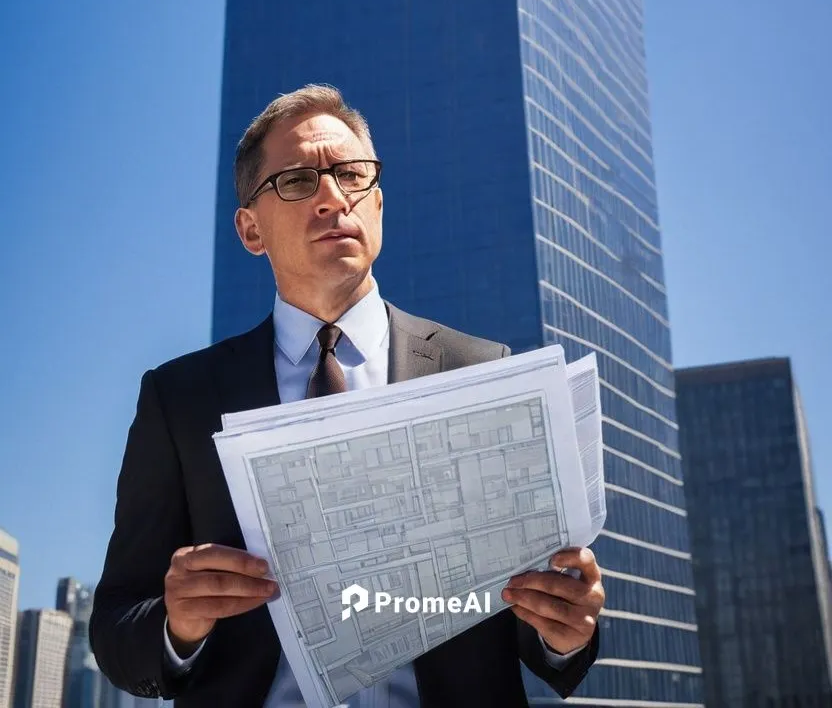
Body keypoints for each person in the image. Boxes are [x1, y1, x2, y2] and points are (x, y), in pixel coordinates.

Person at [90, 84, 604, 706]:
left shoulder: (482, 371)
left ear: (379, 203)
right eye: (299, 182)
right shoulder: (179, 399)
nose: (334, 198)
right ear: (251, 229)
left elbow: (539, 626)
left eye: (351, 175)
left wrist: (563, 631)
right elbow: (118, 624)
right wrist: (179, 624)